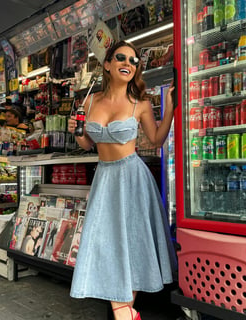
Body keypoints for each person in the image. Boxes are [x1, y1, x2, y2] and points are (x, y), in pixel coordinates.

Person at [67, 40, 176, 320]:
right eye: (121, 58)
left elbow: (157, 140)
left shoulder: (140, 105)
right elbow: (87, 143)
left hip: (132, 178)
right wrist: (75, 130)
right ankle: (126, 312)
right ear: (107, 64)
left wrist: (170, 108)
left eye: (133, 60)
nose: (128, 64)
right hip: (105, 178)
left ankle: (124, 312)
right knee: (108, 243)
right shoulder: (90, 100)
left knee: (132, 243)